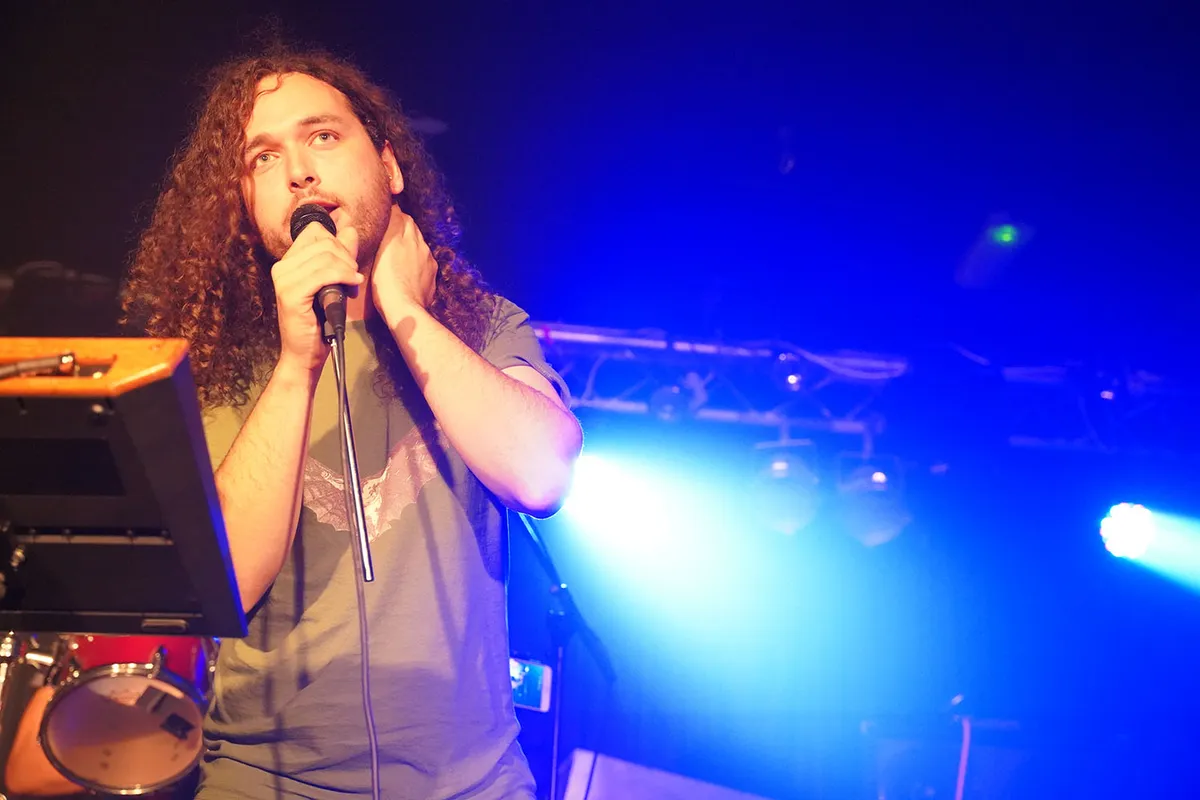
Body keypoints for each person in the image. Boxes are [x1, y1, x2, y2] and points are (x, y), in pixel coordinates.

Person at [116, 47, 583, 799]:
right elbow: (225, 582)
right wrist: (297, 363)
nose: (299, 171)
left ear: (389, 166)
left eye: (323, 137)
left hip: (471, 781)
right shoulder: (214, 363)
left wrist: (403, 308)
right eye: (264, 157)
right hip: (261, 781)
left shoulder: (481, 327)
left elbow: (541, 475)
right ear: (245, 203)